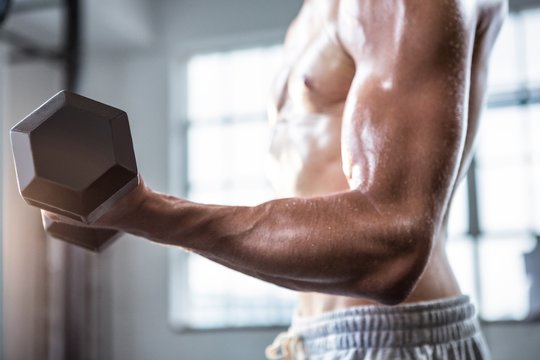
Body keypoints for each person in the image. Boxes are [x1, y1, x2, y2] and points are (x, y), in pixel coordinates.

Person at [47, 0, 507, 358]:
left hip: (395, 337)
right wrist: (129, 212)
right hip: (309, 335)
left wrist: (148, 213)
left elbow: (392, 245)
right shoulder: (310, 14)